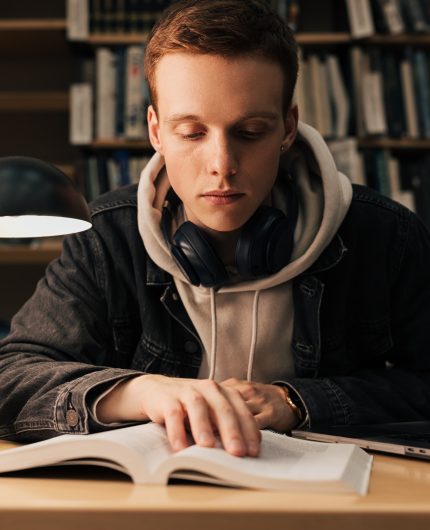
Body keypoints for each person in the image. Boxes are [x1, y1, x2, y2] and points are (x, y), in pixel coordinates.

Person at [1, 0, 430, 459]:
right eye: (190, 132)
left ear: (288, 128)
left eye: (250, 132)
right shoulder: (107, 236)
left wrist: (297, 402)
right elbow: (11, 375)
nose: (222, 166)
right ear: (155, 131)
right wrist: (141, 392)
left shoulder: (387, 234)